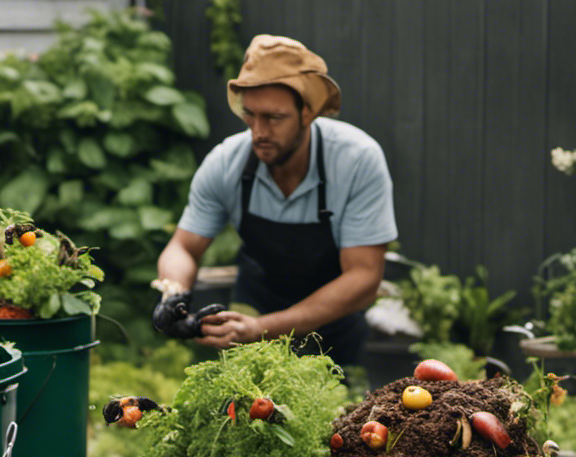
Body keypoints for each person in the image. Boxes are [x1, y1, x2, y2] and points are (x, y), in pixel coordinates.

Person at [152, 34, 397, 366]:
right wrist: (174, 292)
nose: (258, 131)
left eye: (274, 118)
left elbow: (364, 277)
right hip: (256, 302)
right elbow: (183, 246)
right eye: (250, 115)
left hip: (333, 323)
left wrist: (264, 329)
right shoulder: (227, 163)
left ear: (307, 112)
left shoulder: (357, 161)